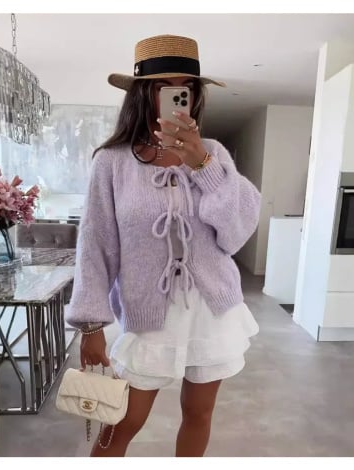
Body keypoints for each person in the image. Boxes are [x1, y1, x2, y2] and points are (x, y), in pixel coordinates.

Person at [66, 34, 262, 458]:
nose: (178, 96)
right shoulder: (112, 161)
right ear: (143, 94)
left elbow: (236, 232)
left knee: (199, 414)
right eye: (164, 87)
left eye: (186, 88)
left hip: (211, 310)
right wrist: (91, 323)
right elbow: (96, 245)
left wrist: (202, 165)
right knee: (121, 422)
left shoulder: (213, 153)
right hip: (148, 314)